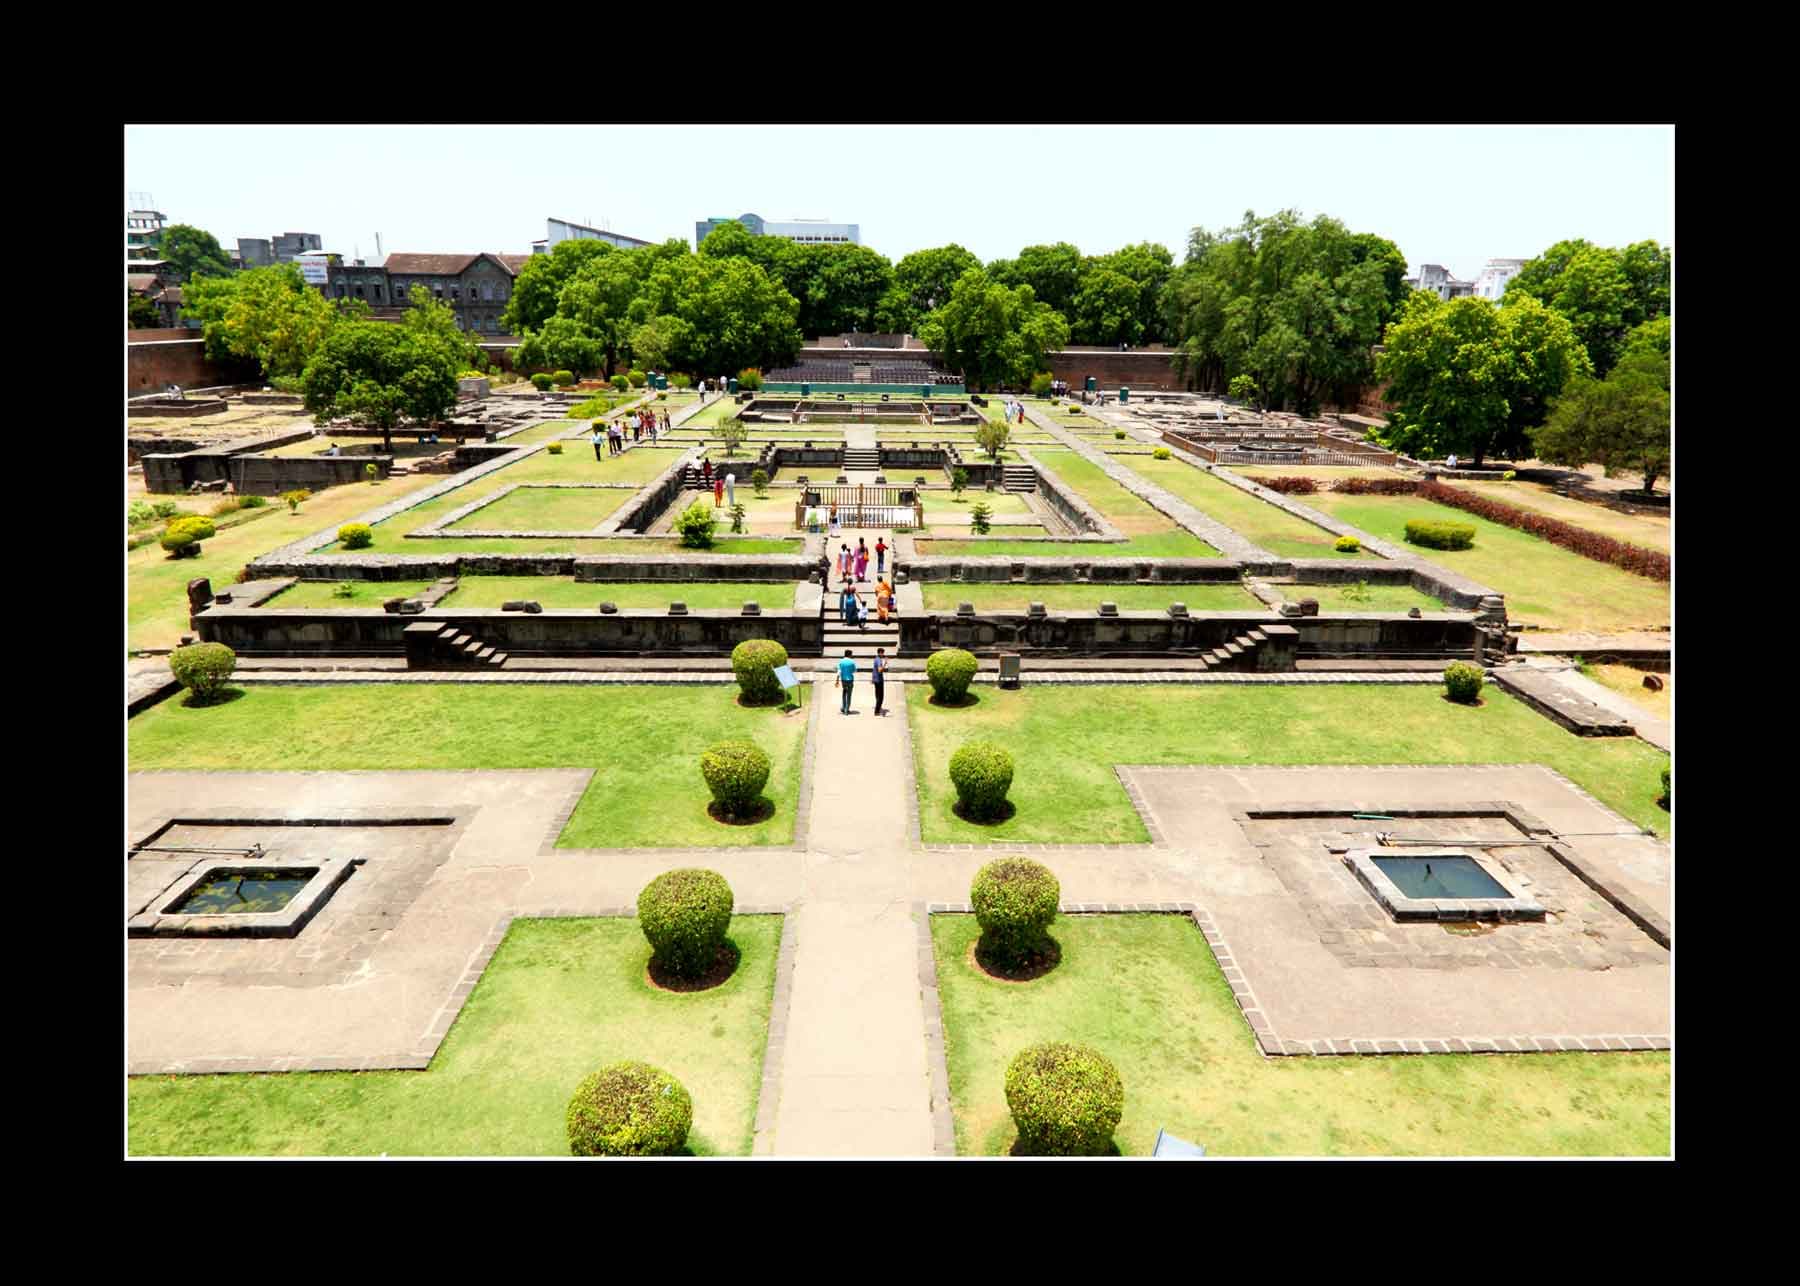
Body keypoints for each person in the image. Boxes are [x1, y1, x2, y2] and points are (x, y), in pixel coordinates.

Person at [837, 648, 856, 715]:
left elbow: (839, 671)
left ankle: (843, 707)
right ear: (849, 654)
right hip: (850, 679)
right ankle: (846, 709)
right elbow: (854, 671)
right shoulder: (852, 662)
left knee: (844, 693)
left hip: (843, 680)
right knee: (849, 694)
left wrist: (837, 681)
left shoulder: (841, 661)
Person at [871, 647, 888, 716]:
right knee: (881, 696)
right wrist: (885, 664)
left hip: (876, 679)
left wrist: (872, 679)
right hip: (879, 680)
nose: (883, 654)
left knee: (877, 695)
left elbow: (874, 670)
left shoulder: (875, 659)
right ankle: (877, 711)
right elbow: (879, 670)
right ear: (880, 653)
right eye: (883, 653)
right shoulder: (879, 660)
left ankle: (877, 708)